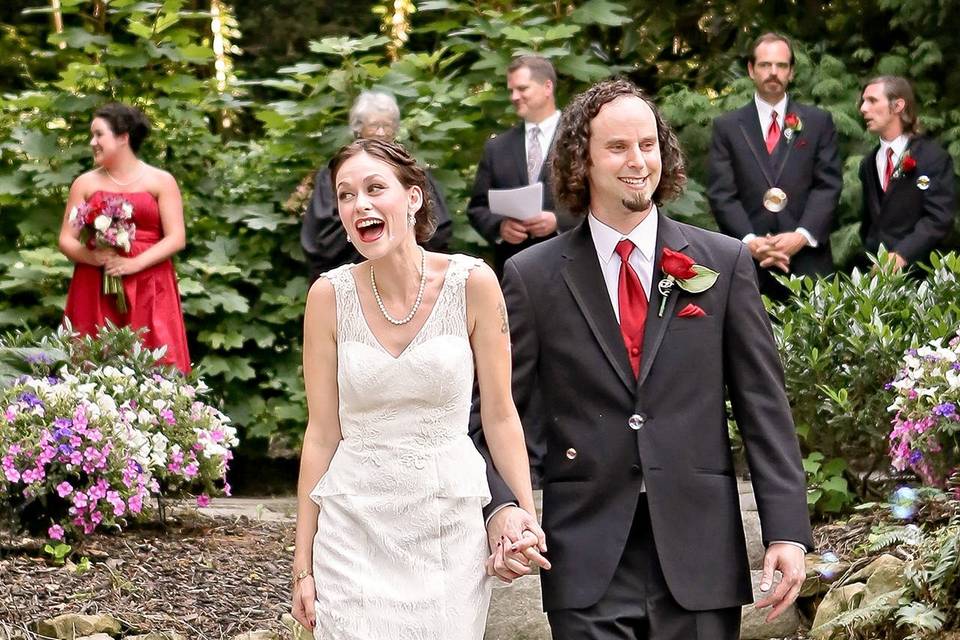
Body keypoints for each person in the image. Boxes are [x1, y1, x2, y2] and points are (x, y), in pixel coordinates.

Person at [471, 79, 812, 640]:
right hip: (584, 555)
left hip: (700, 551)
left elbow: (764, 408)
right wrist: (504, 506)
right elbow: (499, 412)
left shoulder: (722, 264)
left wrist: (787, 532)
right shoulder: (531, 278)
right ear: (581, 159)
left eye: (648, 145)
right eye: (618, 147)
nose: (638, 161)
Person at [290, 138, 544, 639]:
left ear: (413, 197)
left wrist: (523, 519)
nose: (358, 204)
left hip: (447, 525)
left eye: (374, 188)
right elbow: (321, 434)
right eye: (345, 195)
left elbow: (499, 415)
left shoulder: (473, 283)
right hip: (352, 528)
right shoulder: (327, 297)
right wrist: (303, 564)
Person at [59, 103, 191, 373]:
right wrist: (93, 257)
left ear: (122, 137)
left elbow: (176, 238)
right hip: (96, 284)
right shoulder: (84, 184)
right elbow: (66, 239)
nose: (92, 142)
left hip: (150, 284)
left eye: (98, 134)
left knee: (155, 362)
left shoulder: (161, 181)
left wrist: (134, 264)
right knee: (91, 360)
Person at [707, 32, 841, 298]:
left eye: (781, 66)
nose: (773, 72)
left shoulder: (817, 122)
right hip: (747, 264)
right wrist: (751, 242)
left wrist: (801, 236)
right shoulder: (728, 127)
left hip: (807, 263)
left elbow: (828, 185)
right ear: (751, 70)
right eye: (765, 65)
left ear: (791, 72)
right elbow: (722, 193)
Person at [300, 91, 453, 284]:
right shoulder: (336, 174)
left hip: (411, 278)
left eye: (387, 125)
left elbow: (439, 226)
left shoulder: (410, 172)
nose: (381, 132)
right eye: (374, 125)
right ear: (358, 129)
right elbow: (320, 237)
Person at [467, 55, 576, 276]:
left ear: (547, 87)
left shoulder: (579, 139)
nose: (515, 96)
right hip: (514, 269)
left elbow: (601, 198)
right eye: (511, 90)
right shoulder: (497, 148)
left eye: (522, 88)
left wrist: (558, 220)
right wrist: (499, 227)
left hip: (571, 263)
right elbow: (477, 207)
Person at [858, 75, 956, 269]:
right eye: (863, 101)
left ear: (898, 106)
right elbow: (870, 222)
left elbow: (939, 218)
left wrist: (903, 255)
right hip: (876, 279)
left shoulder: (933, 157)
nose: (863, 108)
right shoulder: (868, 163)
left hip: (921, 277)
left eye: (872, 101)